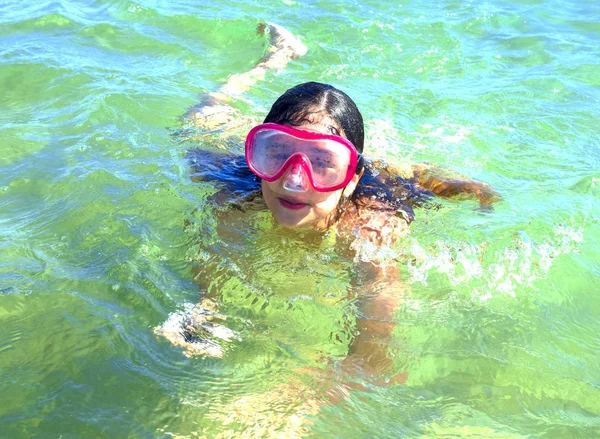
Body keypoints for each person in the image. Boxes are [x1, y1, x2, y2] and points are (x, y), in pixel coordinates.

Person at [156, 23, 499, 385]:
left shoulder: (373, 224)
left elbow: (373, 352)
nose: (292, 180)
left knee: (410, 175)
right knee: (200, 116)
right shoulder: (240, 194)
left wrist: (311, 393)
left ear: (350, 180)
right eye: (277, 151)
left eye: (321, 161)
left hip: (380, 183)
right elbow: (214, 263)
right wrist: (207, 310)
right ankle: (277, 56)